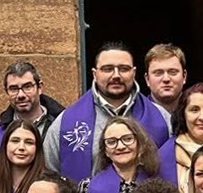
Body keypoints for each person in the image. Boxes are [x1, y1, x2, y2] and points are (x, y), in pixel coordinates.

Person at [51, 42, 168, 183]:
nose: (116, 75)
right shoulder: (65, 123)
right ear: (95, 74)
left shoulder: (163, 118)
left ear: (134, 73)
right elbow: (50, 178)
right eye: (108, 69)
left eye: (124, 69)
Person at [0, 62, 62, 177]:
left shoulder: (62, 126)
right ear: (6, 92)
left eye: (27, 87)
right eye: (13, 89)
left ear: (40, 88)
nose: (21, 95)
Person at [141, 44, 190, 140]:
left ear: (184, 76)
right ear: (147, 79)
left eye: (173, 72)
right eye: (158, 73)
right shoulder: (135, 117)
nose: (166, 79)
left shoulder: (199, 114)